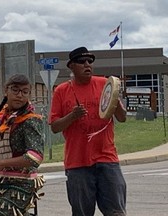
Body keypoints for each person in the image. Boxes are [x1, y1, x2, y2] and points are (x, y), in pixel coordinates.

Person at [49, 47, 127, 216]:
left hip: (107, 158)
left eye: (90, 62)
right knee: (82, 213)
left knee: (116, 212)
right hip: (78, 163)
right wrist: (72, 116)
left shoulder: (104, 84)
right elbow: (55, 127)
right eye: (81, 62)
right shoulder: (61, 91)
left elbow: (122, 118)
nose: (87, 65)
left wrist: (115, 99)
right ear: (71, 66)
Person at [0, 74, 45, 216]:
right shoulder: (2, 118)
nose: (20, 95)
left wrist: (1, 162)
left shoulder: (30, 120)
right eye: (15, 90)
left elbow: (35, 157)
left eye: (25, 92)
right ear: (5, 90)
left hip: (21, 182)